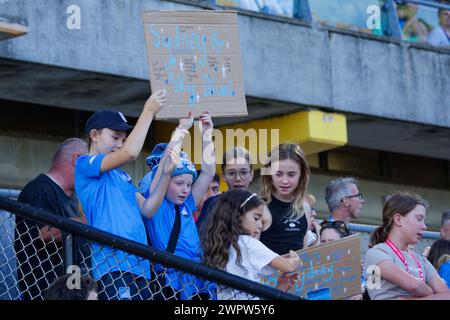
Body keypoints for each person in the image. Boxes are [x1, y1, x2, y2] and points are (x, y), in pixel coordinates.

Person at [75, 90, 171, 300]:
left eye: (124, 139)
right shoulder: (84, 163)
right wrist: (148, 111)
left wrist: (166, 173)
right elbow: (130, 153)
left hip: (140, 266)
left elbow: (148, 209)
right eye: (115, 137)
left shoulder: (122, 176)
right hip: (112, 264)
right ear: (94, 135)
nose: (120, 144)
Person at [143, 111, 216, 300]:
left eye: (189, 184)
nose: (185, 190)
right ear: (166, 181)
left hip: (197, 275)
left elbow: (208, 173)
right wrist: (182, 129)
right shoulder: (156, 203)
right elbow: (164, 168)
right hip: (171, 279)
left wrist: (207, 134)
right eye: (179, 184)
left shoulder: (186, 204)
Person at [14, 138, 89, 300]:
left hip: (73, 289)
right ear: (77, 160)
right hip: (46, 290)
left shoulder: (73, 199)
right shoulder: (40, 190)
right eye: (90, 164)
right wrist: (92, 221)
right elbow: (45, 233)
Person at [201, 189, 300, 300]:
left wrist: (279, 287)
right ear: (238, 215)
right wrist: (295, 257)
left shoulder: (222, 245)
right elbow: (288, 266)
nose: (260, 225)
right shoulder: (247, 243)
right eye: (256, 218)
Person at [365, 192, 450, 300]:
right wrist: (431, 293)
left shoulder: (421, 261)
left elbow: (447, 295)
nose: (424, 226)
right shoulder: (377, 253)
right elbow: (415, 286)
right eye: (419, 219)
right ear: (398, 219)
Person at [260, 143, 310, 254]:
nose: (285, 181)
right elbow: (252, 256)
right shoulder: (260, 207)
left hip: (297, 271)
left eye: (291, 174)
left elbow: (305, 253)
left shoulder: (305, 208)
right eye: (279, 174)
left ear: (301, 175)